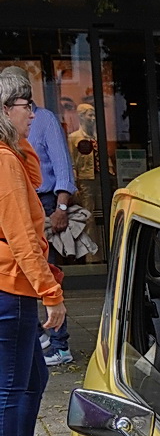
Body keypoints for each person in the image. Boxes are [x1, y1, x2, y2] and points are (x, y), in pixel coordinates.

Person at [0, 67, 68, 436]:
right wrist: (52, 293)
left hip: (16, 284)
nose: (33, 114)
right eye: (27, 106)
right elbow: (23, 236)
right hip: (12, 286)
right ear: (6, 109)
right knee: (10, 384)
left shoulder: (11, 154)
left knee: (33, 376)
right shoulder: (4, 160)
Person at [27, 98, 77, 366]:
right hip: (20, 200)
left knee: (47, 271)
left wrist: (60, 207)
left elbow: (62, 168)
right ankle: (41, 338)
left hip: (43, 200)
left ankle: (59, 344)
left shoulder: (43, 119)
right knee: (20, 271)